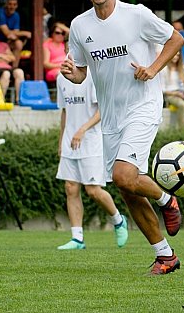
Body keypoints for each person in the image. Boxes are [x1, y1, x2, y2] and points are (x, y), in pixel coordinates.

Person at [61, 0, 184, 275]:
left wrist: (153, 69)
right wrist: (71, 73)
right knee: (127, 189)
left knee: (123, 176)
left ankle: (166, 199)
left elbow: (176, 39)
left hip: (143, 106)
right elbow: (80, 74)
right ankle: (165, 256)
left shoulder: (137, 15)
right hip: (111, 117)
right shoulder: (79, 26)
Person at [55, 67, 129, 250]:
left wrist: (82, 130)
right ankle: (77, 238)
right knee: (70, 188)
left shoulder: (93, 76)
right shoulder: (61, 78)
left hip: (91, 142)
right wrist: (61, 140)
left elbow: (102, 110)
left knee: (93, 190)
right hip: (69, 143)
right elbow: (64, 111)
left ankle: (118, 221)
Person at [160, 51, 184, 128]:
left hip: (182, 93)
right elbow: (163, 89)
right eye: (174, 55)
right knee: (182, 104)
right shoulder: (164, 69)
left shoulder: (183, 68)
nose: (175, 57)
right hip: (170, 95)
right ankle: (181, 129)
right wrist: (176, 94)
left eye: (178, 55)